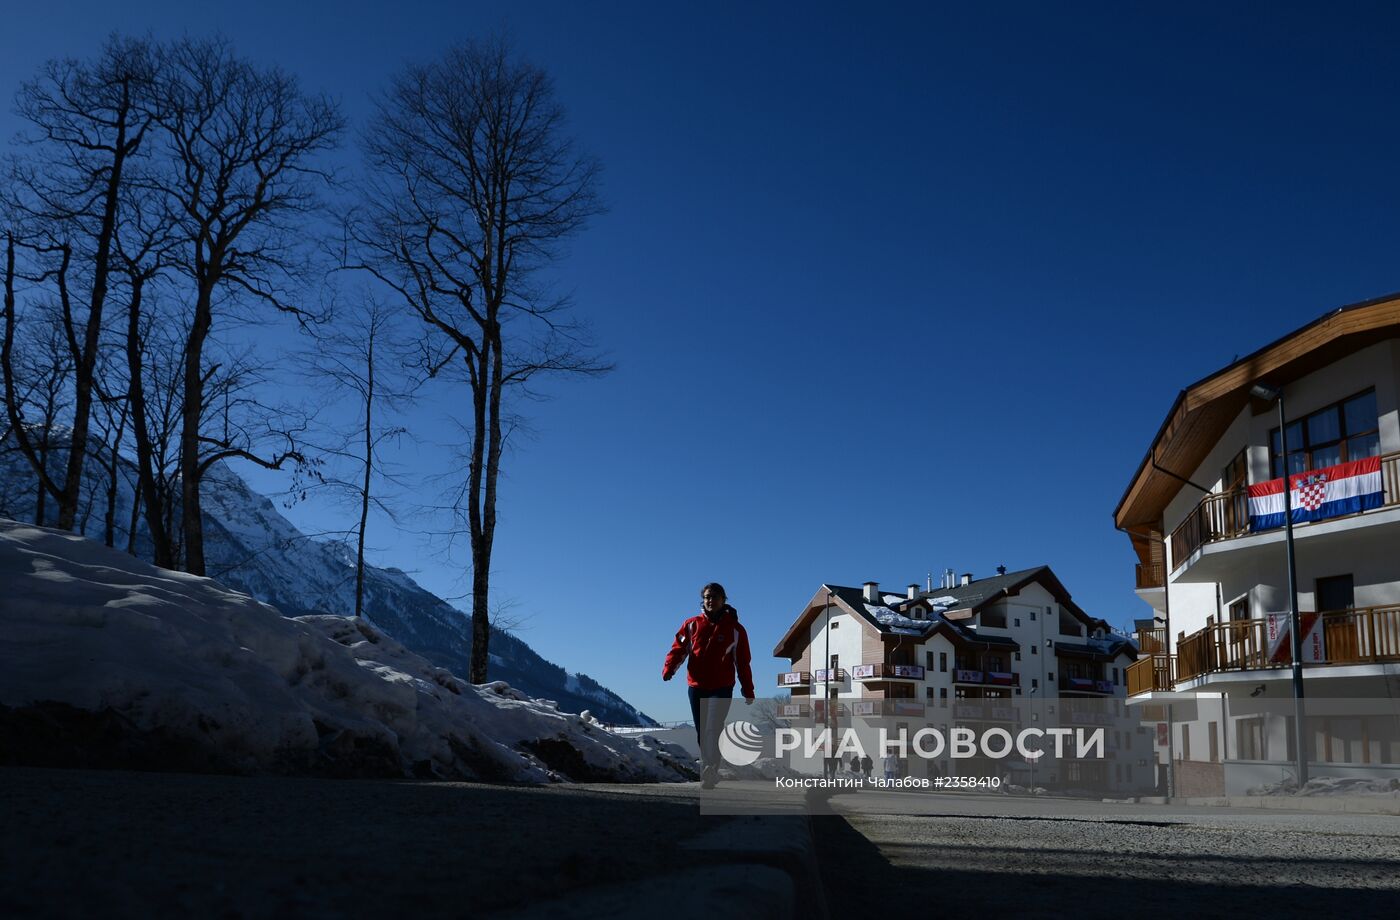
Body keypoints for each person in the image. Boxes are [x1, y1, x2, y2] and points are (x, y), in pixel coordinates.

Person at [662, 582, 755, 789]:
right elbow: (679, 649)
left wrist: (748, 689)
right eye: (706, 597)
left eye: (714, 596)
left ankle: (711, 768)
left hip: (722, 687)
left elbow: (743, 662)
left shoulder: (736, 629)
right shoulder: (691, 624)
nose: (710, 600)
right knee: (702, 730)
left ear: (724, 600)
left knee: (713, 727)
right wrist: (669, 669)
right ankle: (709, 766)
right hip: (696, 686)